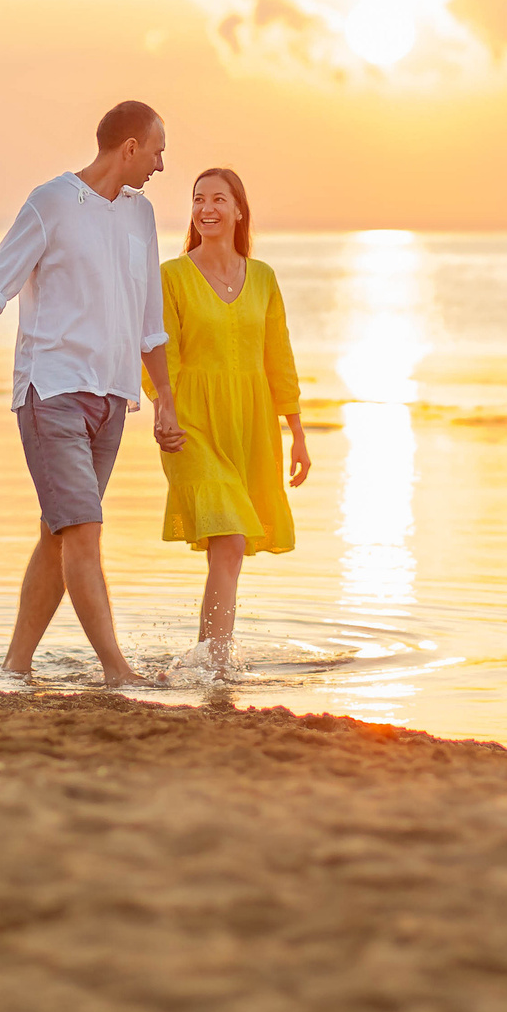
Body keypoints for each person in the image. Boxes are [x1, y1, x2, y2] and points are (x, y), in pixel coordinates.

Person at [0, 101, 174, 686]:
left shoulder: (141, 216)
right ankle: (117, 672)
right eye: (157, 150)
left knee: (58, 532)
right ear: (130, 147)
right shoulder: (51, 202)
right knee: (82, 528)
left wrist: (165, 398)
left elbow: (149, 321)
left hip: (112, 397)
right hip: (52, 390)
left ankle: (15, 665)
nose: (161, 165)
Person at [153, 167, 309, 676]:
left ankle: (209, 658)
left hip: (251, 423)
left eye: (218, 199)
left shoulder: (262, 276)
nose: (207, 209)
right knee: (231, 536)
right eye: (198, 200)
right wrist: (164, 407)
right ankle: (218, 661)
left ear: (239, 210)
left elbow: (278, 358)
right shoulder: (171, 276)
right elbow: (159, 353)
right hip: (190, 422)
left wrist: (298, 433)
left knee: (229, 545)